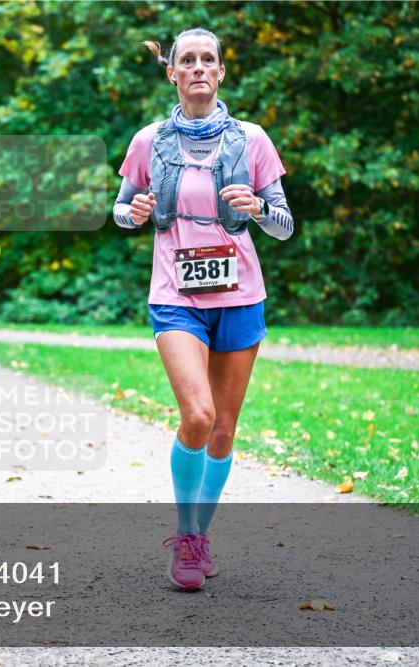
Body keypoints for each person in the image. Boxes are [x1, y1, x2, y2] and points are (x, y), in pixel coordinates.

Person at [114, 28, 294, 591]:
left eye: (206, 59)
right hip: (175, 295)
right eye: (186, 60)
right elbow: (119, 213)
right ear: (172, 73)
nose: (197, 68)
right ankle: (186, 535)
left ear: (220, 72)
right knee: (198, 416)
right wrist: (135, 212)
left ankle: (198, 535)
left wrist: (260, 206)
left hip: (240, 295)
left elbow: (285, 228)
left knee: (224, 430)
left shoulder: (253, 139)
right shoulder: (149, 140)